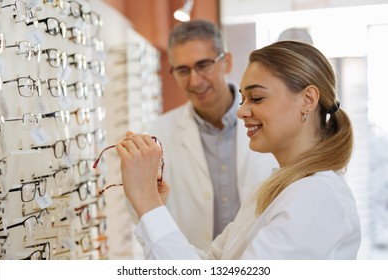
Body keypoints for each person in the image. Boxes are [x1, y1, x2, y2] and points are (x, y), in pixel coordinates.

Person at [117, 40, 361, 259]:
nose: (241, 111)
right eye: (243, 99)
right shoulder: (270, 191)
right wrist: (154, 207)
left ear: (307, 100)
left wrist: (147, 202)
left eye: (256, 98)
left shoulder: (318, 197)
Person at [146, 19, 277, 250]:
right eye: (183, 70)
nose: (195, 81)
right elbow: (149, 214)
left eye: (203, 65)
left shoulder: (269, 119)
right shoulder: (159, 133)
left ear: (226, 62)